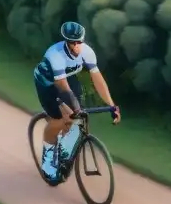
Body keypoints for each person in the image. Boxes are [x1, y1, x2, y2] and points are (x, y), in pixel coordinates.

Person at [33, 21, 120, 178]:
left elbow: (98, 79)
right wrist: (74, 108)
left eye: (79, 41)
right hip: (48, 82)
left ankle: (64, 146)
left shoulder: (87, 52)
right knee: (59, 119)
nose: (77, 46)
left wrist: (112, 105)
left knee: (76, 118)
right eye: (73, 42)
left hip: (68, 78)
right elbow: (62, 87)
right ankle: (47, 158)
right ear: (66, 42)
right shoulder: (55, 55)